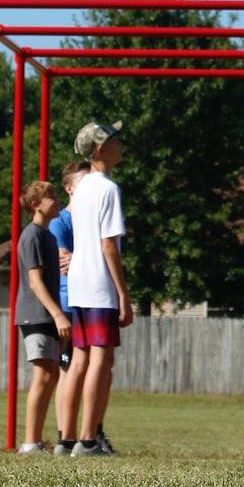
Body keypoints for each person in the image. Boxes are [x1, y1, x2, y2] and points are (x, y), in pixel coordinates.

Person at [65, 120, 135, 457]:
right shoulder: (108, 189)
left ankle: (67, 439)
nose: (121, 144)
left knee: (79, 359)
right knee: (100, 361)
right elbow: (109, 246)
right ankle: (88, 440)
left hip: (78, 283)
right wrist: (123, 294)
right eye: (115, 140)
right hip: (98, 285)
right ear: (100, 149)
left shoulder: (81, 189)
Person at [14, 180, 73, 454]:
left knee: (51, 373)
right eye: (51, 196)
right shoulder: (32, 236)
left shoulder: (48, 236)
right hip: (35, 315)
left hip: (47, 315)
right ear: (35, 205)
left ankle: (36, 441)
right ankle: (30, 443)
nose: (57, 200)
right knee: (43, 374)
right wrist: (59, 315)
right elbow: (35, 283)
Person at [49, 160, 92, 454]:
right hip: (67, 303)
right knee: (67, 368)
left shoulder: (90, 221)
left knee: (86, 367)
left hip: (88, 300)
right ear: (69, 188)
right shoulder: (60, 222)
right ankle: (65, 435)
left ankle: (86, 433)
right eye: (83, 182)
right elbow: (62, 264)